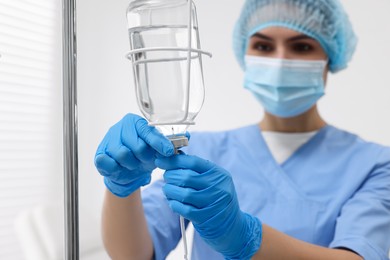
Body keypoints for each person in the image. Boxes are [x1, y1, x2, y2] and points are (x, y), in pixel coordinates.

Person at [94, 0, 390, 259]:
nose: (279, 61)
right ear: (244, 53)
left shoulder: (374, 165)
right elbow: (133, 254)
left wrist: (244, 237)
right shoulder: (201, 150)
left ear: (330, 58)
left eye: (302, 46)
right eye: (263, 46)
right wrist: (122, 188)